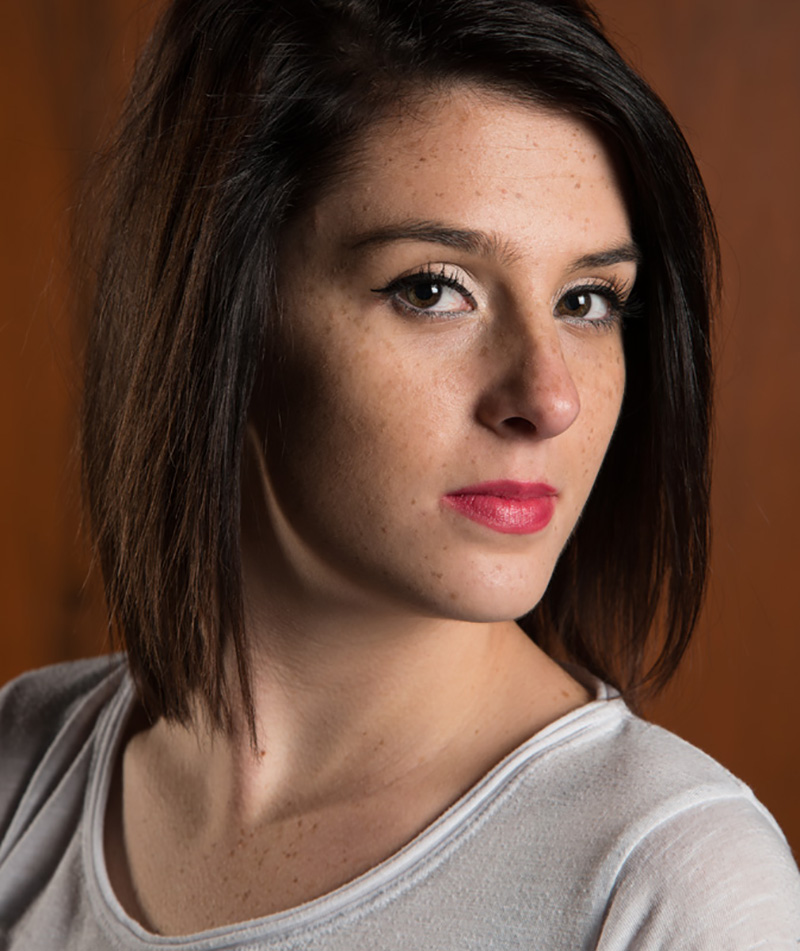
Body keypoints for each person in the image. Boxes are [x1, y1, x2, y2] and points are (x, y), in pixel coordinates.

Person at [1, 0, 798, 946]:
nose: (550, 398)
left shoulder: (674, 887)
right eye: (433, 289)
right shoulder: (23, 766)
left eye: (587, 301)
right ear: (221, 312)